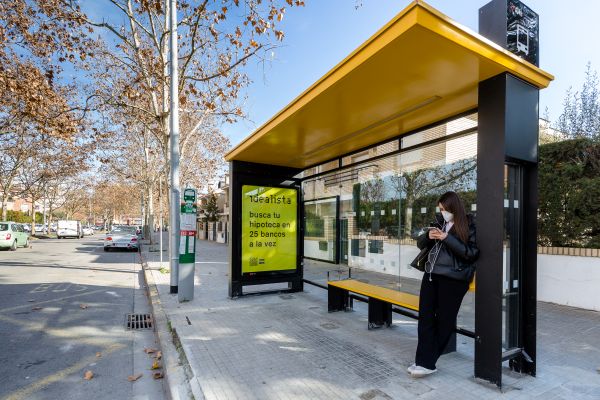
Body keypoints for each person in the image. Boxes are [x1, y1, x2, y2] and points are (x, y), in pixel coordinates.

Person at [408, 191, 479, 378]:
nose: (442, 212)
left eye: (445, 209)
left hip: (454, 279)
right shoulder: (439, 222)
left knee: (444, 321)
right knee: (425, 318)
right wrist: (429, 236)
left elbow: (471, 253)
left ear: (454, 208)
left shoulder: (470, 224)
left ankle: (427, 362)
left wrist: (447, 238)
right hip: (431, 275)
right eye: (440, 209)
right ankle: (423, 360)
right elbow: (420, 244)